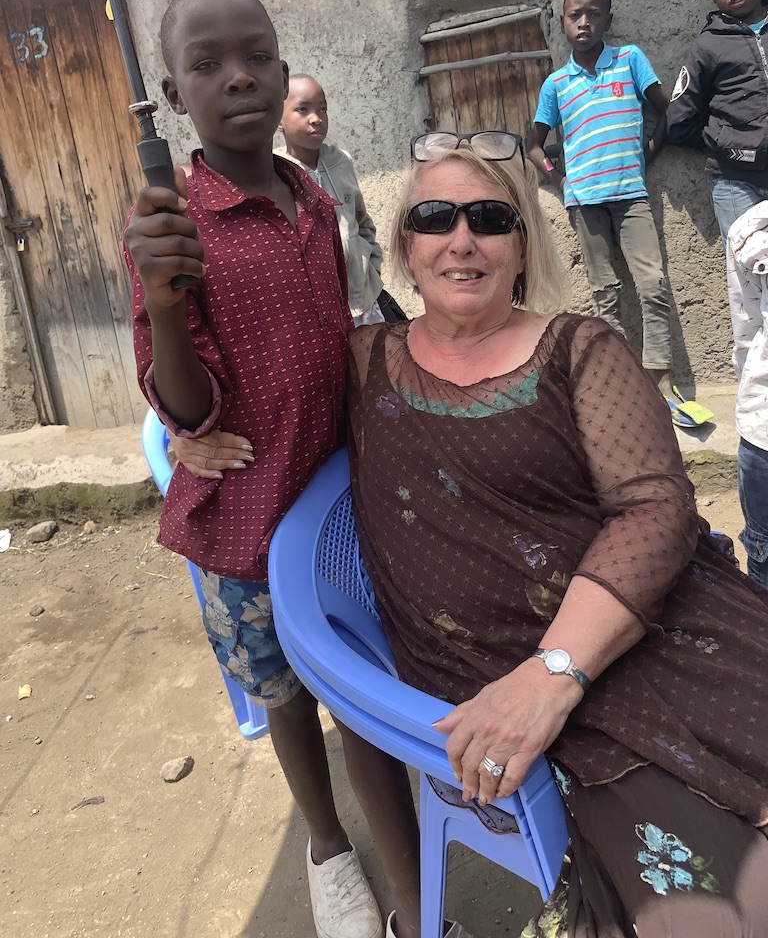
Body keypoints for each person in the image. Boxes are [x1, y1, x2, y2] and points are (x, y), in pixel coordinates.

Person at [179, 139, 768, 937]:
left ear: (521, 247)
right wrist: (190, 429)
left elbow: (655, 508)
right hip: (490, 674)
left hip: (653, 632)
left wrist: (553, 674)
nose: (462, 239)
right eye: (435, 218)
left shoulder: (580, 347)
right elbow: (254, 393)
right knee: (725, 905)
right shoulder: (361, 363)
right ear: (404, 248)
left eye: (490, 219)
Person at [122, 0, 424, 938]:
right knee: (287, 696)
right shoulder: (172, 226)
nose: (238, 77)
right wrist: (163, 295)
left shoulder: (313, 198)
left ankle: (416, 898)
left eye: (256, 56)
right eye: (206, 64)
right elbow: (187, 402)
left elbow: (337, 334)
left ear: (284, 68)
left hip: (338, 496)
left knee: (361, 686)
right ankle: (327, 847)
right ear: (175, 96)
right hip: (248, 524)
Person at [527, 0, 674, 400]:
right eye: (575, 15)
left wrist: (646, 155)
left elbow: (668, 112)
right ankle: (622, 380)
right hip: (584, 201)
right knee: (605, 293)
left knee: (652, 284)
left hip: (631, 196)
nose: (584, 22)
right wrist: (561, 181)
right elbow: (534, 146)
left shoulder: (629, 60)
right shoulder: (556, 84)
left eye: (594, 13)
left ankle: (661, 379)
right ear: (562, 22)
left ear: (609, 19)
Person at [276, 74, 406, 325]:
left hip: (366, 298)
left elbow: (362, 221)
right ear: (278, 121)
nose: (316, 118)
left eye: (322, 109)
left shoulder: (341, 162)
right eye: (302, 109)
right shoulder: (277, 173)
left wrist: (372, 265)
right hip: (323, 310)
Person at [666, 0, 768, 249]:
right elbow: (678, 122)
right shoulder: (707, 45)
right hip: (736, 180)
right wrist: (726, 143)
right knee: (751, 269)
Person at [726, 202, 768, 591]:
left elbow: (748, 332)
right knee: (763, 549)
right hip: (763, 432)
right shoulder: (751, 230)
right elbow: (749, 331)